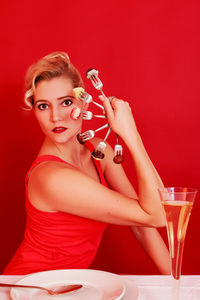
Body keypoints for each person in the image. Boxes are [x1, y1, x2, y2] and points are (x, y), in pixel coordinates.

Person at [3, 51, 170, 275]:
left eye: (66, 102)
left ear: (84, 103)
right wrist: (131, 135)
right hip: (29, 288)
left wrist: (178, 285)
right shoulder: (52, 178)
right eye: (43, 106)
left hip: (65, 289)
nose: (55, 117)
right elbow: (157, 215)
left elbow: (142, 225)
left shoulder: (97, 150)